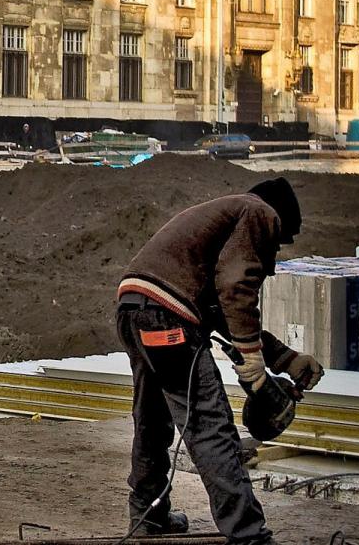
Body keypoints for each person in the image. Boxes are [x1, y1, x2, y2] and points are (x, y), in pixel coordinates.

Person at [115, 178, 324, 543]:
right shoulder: (259, 211)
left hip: (134, 310)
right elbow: (237, 287)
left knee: (151, 419)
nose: (272, 263)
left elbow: (217, 311)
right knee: (211, 427)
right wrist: (254, 368)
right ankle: (248, 535)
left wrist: (285, 359)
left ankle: (148, 515)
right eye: (276, 245)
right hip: (168, 318)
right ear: (277, 217)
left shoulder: (212, 230)